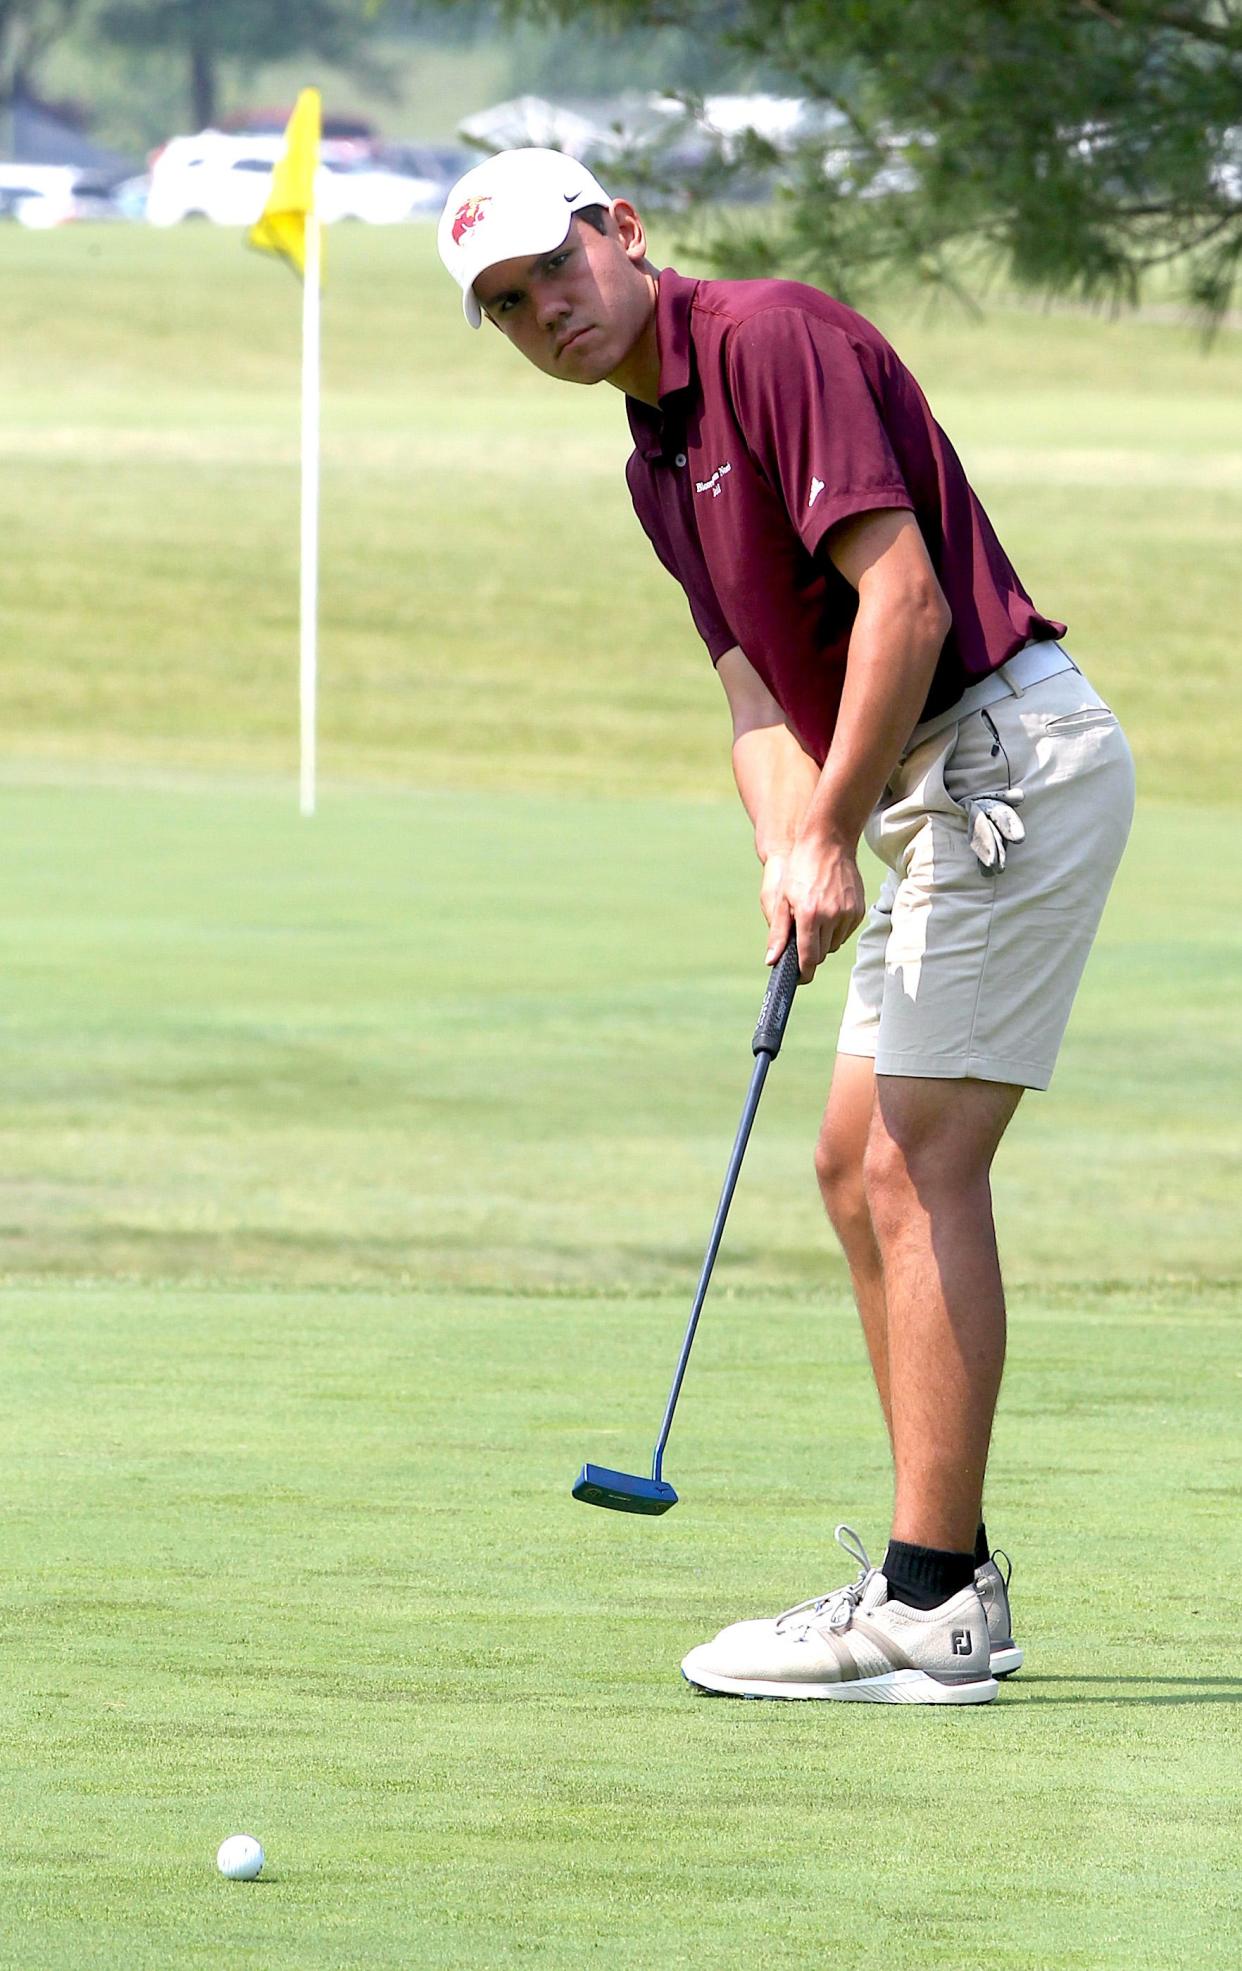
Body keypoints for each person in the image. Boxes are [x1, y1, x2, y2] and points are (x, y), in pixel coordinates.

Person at [437, 148, 1136, 1706]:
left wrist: (831, 828)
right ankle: (928, 1575)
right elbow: (756, 682)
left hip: (1001, 762)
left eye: (553, 266)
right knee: (848, 1161)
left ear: (622, 231)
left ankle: (931, 1603)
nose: (542, 308)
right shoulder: (649, 453)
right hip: (917, 792)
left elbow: (906, 608)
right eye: (503, 306)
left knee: (914, 1160)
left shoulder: (767, 337)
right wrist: (787, 848)